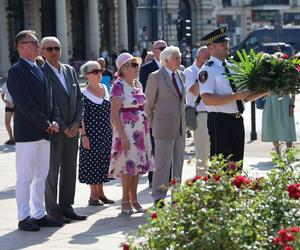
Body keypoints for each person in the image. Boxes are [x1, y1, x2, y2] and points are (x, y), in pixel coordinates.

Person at [7, 30, 63, 231]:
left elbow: (51, 100)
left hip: (44, 132)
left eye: (36, 42)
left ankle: (38, 214)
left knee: (41, 176)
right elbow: (24, 104)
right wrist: (45, 122)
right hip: (28, 133)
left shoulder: (40, 68)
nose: (36, 45)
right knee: (25, 177)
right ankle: (24, 217)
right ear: (20, 46)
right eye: (31, 42)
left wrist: (54, 120)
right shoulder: (16, 71)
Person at [199, 27, 266, 164]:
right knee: (222, 166)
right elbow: (207, 99)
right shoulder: (208, 70)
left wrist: (267, 90)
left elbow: (245, 97)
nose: (226, 46)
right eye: (222, 44)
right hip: (220, 121)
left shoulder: (232, 67)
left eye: (226, 43)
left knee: (237, 164)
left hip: (237, 120)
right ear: (211, 48)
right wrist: (234, 96)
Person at [41, 36, 86, 223]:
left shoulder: (69, 70)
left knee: (69, 170)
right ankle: (52, 210)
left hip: (72, 130)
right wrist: (64, 126)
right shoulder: (41, 73)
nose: (53, 52)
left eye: (57, 48)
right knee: (51, 172)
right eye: (49, 49)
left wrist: (76, 123)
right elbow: (46, 104)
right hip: (53, 131)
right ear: (42, 52)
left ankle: (66, 206)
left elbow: (79, 99)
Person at [109, 53, 155, 214]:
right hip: (127, 131)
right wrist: (122, 136)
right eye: (133, 65)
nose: (137, 68)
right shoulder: (118, 86)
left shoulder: (137, 85)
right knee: (127, 166)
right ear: (123, 69)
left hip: (140, 131)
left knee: (137, 166)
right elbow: (114, 114)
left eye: (137, 65)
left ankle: (134, 199)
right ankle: (125, 200)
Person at [145, 46, 186, 207]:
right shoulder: (156, 77)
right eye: (176, 57)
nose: (179, 60)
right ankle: (159, 197)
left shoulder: (181, 75)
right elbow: (148, 105)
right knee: (162, 165)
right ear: (166, 60)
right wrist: (152, 125)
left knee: (178, 163)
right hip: (162, 127)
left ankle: (177, 196)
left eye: (179, 57)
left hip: (180, 127)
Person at [79, 61, 114, 206]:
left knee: (103, 163)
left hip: (105, 132)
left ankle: (101, 194)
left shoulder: (105, 88)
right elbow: (81, 117)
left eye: (100, 70)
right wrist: (84, 135)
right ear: (86, 76)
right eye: (94, 71)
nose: (99, 73)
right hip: (91, 134)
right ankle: (93, 196)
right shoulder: (83, 93)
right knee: (92, 164)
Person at [140, 39, 167, 188]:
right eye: (160, 48)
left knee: (168, 146)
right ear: (154, 51)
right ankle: (153, 178)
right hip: (153, 113)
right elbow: (144, 92)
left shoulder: (173, 66)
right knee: (153, 146)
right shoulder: (146, 69)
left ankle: (168, 177)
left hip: (169, 115)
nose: (163, 50)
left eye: (165, 47)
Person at [261, 52, 296, 154]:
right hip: (271, 102)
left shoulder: (288, 72)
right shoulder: (268, 73)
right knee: (273, 126)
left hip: (285, 101)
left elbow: (293, 89)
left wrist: (292, 105)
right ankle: (277, 152)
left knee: (287, 126)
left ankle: (289, 153)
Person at [183, 46, 210, 176]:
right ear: (197, 58)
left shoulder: (212, 70)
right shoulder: (189, 72)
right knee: (202, 152)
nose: (207, 61)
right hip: (200, 116)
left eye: (209, 59)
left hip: (214, 114)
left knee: (216, 153)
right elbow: (194, 90)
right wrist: (204, 73)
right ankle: (202, 181)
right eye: (205, 59)